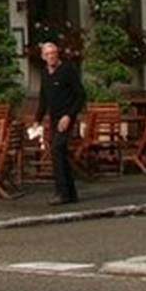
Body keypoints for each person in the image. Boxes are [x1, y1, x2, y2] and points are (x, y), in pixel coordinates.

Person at [35, 40, 85, 205]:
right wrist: (37, 119)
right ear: (43, 57)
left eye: (54, 54)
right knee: (61, 153)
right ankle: (71, 193)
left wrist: (69, 115)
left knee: (57, 149)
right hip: (54, 117)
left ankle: (62, 193)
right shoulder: (45, 73)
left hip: (66, 117)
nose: (51, 57)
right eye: (48, 54)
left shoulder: (68, 70)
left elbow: (80, 95)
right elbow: (44, 98)